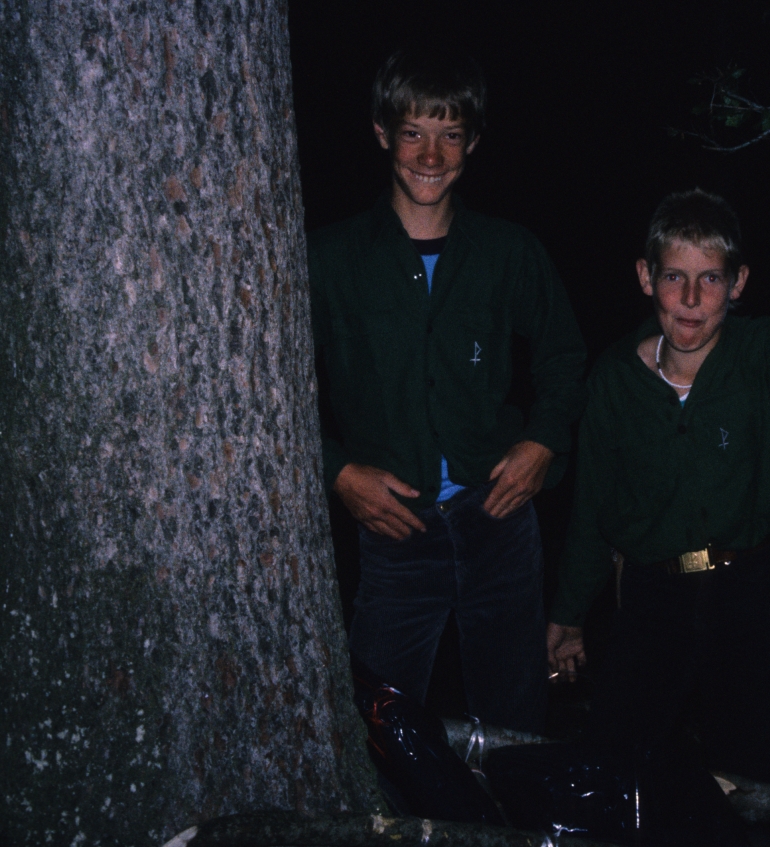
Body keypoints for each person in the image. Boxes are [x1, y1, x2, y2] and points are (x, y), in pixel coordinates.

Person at [544, 189, 770, 777]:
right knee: (617, 760)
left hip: (748, 589)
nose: (692, 299)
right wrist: (568, 615)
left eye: (711, 279)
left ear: (738, 283)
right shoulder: (615, 379)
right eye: (675, 277)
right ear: (646, 277)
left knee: (742, 769)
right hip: (651, 594)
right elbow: (592, 507)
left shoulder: (763, 354)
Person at [308, 46, 586, 733]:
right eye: (413, 132)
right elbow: (272, 388)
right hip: (393, 526)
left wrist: (541, 441)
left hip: (498, 517)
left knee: (514, 725)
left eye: (450, 135)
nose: (430, 155)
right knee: (379, 728)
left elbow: (564, 354)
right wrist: (336, 471)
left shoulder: (508, 251)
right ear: (382, 133)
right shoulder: (331, 258)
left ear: (474, 142)